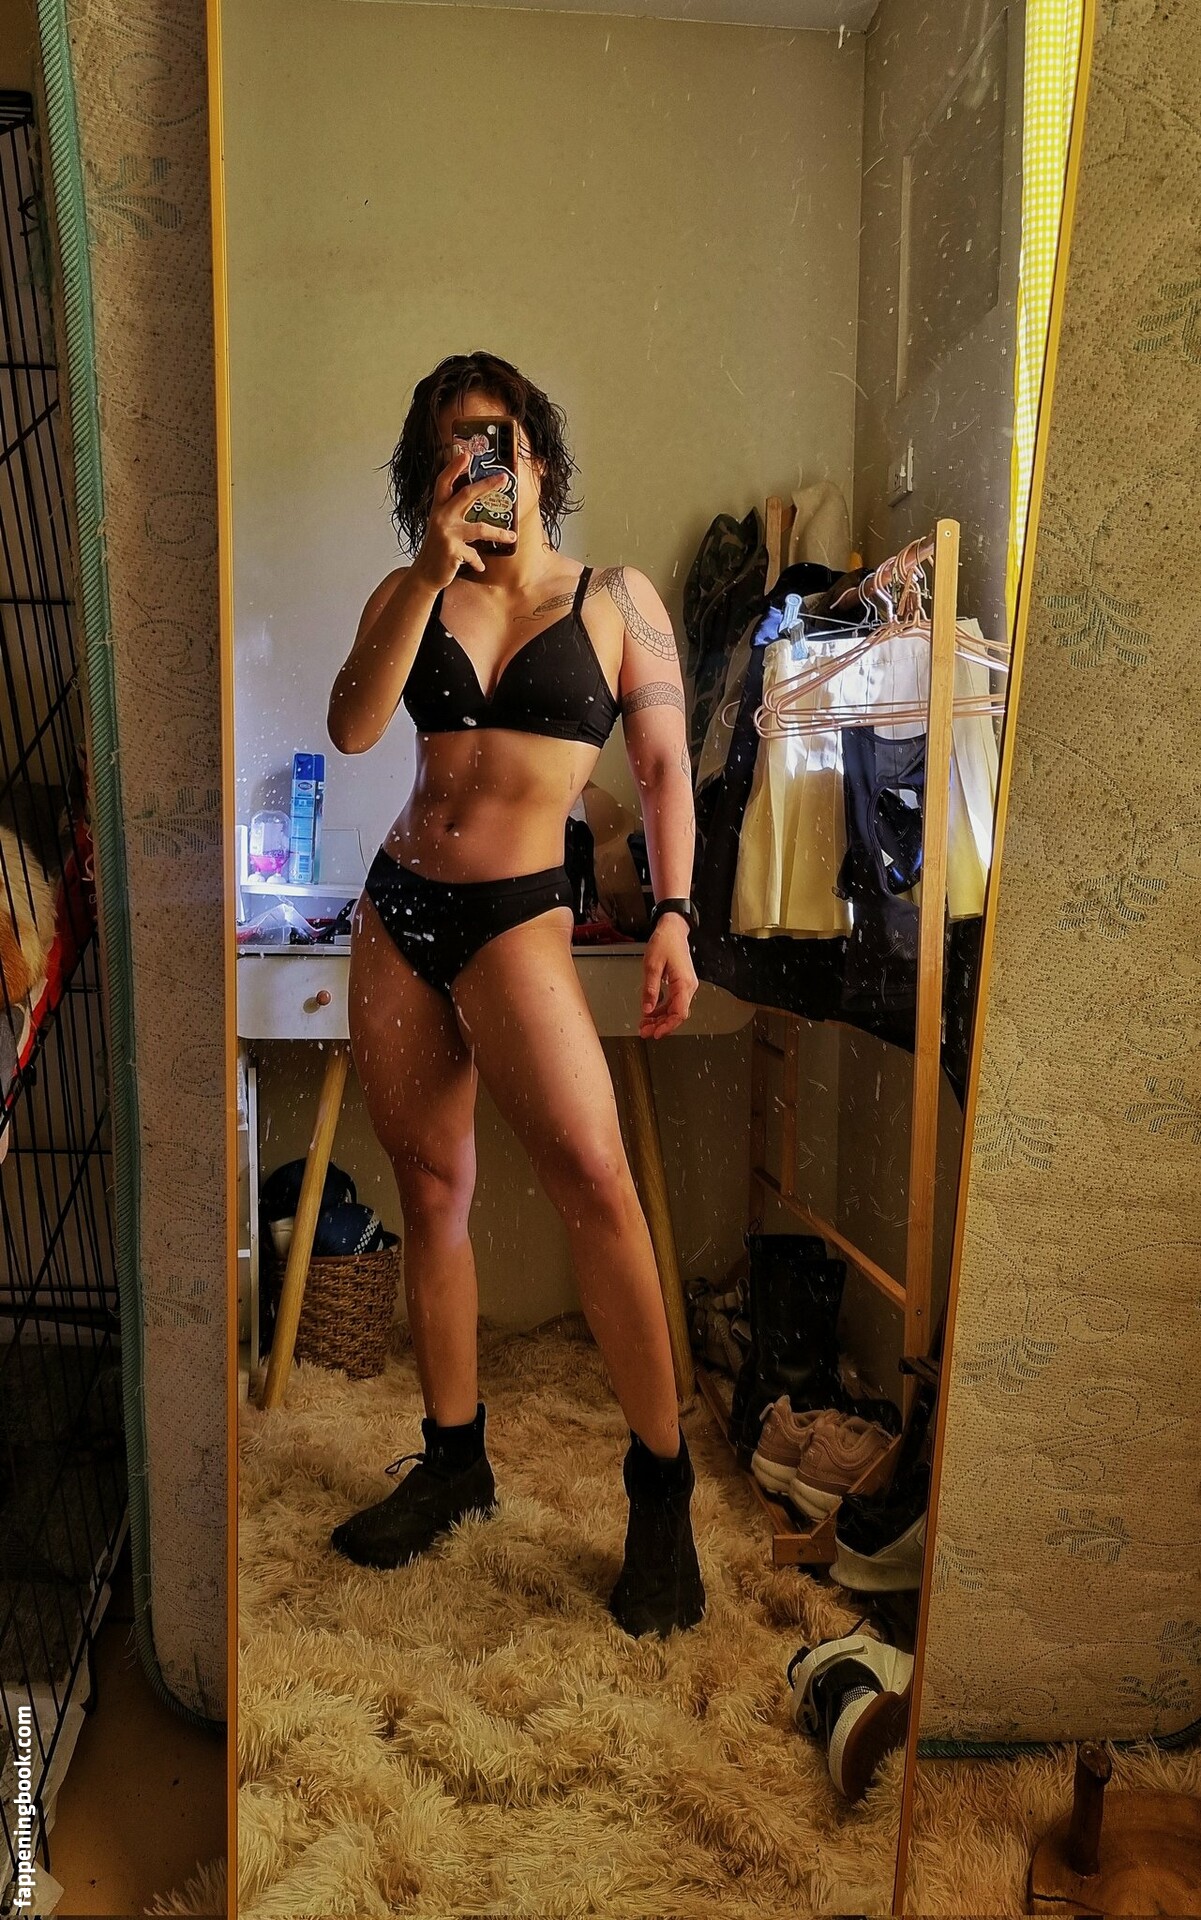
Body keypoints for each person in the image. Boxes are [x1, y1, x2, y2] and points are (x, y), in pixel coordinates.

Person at [325, 351, 705, 1638]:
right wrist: (428, 569)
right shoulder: (411, 591)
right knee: (430, 1186)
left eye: (494, 437)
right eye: (450, 446)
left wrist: (673, 916)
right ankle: (453, 1462)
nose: (476, 462)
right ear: (426, 472)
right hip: (400, 911)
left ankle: (662, 1494)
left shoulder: (614, 600)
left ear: (536, 452)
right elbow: (353, 727)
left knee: (596, 1180)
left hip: (517, 917)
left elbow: (663, 770)